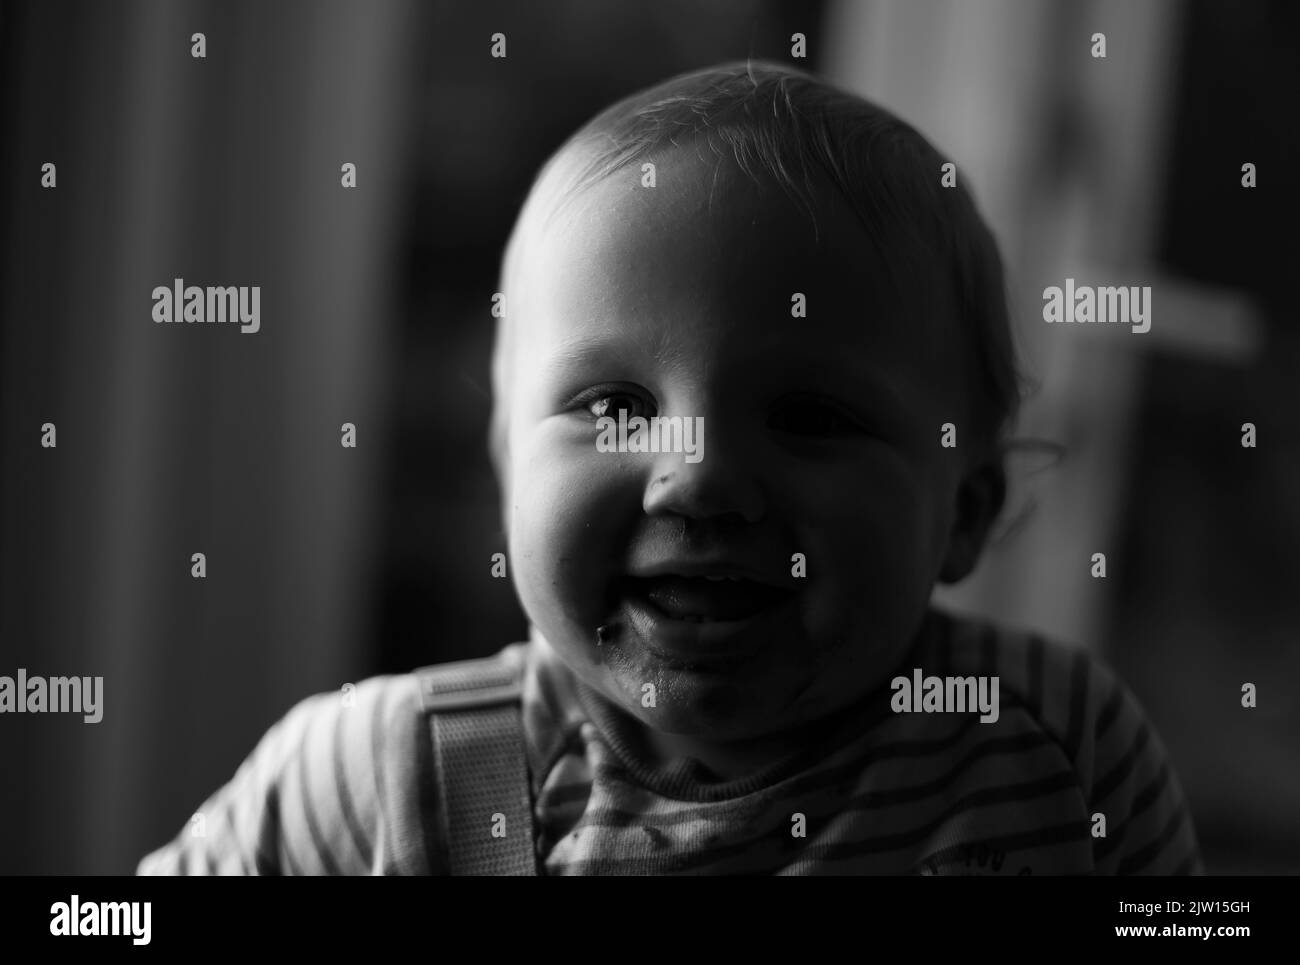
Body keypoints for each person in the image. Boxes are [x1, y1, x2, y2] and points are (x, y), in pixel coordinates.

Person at [138, 60, 1202, 875]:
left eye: (810, 414)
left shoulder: (1059, 746)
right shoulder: (379, 773)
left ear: (964, 511)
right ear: (509, 461)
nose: (693, 478)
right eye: (613, 406)